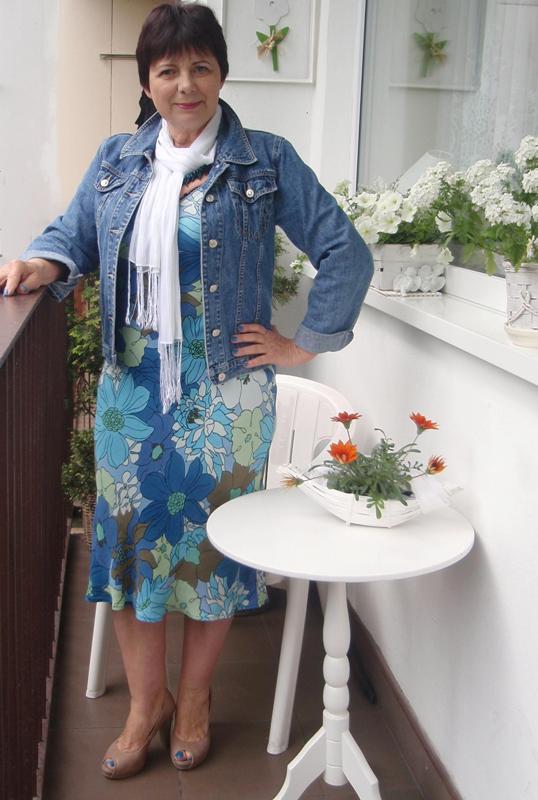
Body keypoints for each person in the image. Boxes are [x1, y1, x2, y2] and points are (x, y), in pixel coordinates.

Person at [0, 1, 373, 781]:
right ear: (147, 81)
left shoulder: (266, 161)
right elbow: (74, 234)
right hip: (131, 393)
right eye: (168, 69)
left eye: (200, 66)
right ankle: (147, 704)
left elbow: (345, 249)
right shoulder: (117, 159)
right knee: (132, 547)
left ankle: (195, 699)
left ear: (222, 74)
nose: (185, 84)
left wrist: (304, 342)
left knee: (211, 551)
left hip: (227, 396)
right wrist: (40, 263)